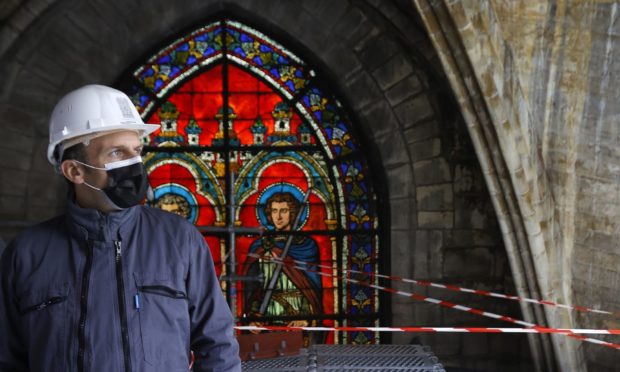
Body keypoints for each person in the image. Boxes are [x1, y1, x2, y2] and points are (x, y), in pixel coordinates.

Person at [0, 84, 241, 372]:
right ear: (74, 170)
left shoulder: (179, 241)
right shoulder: (27, 254)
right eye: (116, 153)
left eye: (136, 150)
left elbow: (218, 350)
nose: (135, 163)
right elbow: (7, 359)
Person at [242, 192, 322, 325]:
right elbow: (254, 289)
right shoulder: (261, 247)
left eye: (283, 211)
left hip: (297, 319)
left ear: (292, 213)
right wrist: (253, 317)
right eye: (274, 211)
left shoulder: (307, 246)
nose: (278, 217)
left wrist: (305, 318)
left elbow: (312, 289)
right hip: (266, 319)